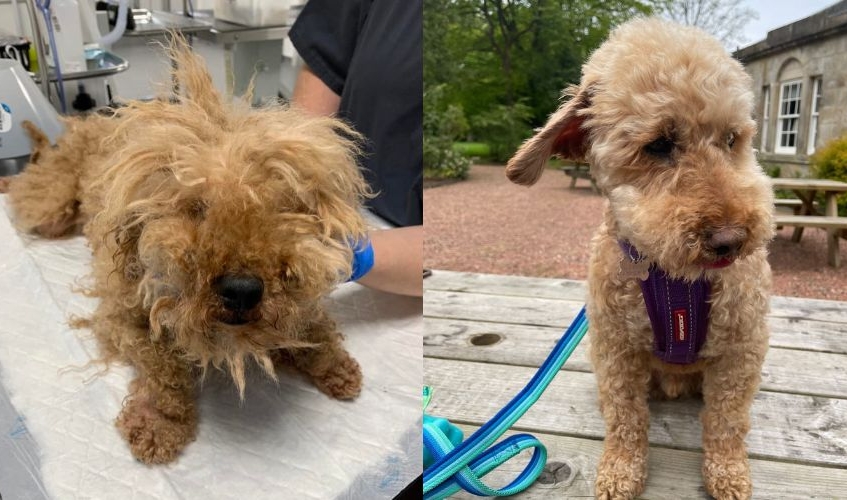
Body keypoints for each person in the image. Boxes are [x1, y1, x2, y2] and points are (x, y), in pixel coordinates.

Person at [289, 0, 423, 297]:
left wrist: (347, 254)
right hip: (335, 218)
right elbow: (327, 56)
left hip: (410, 273)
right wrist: (289, 184)